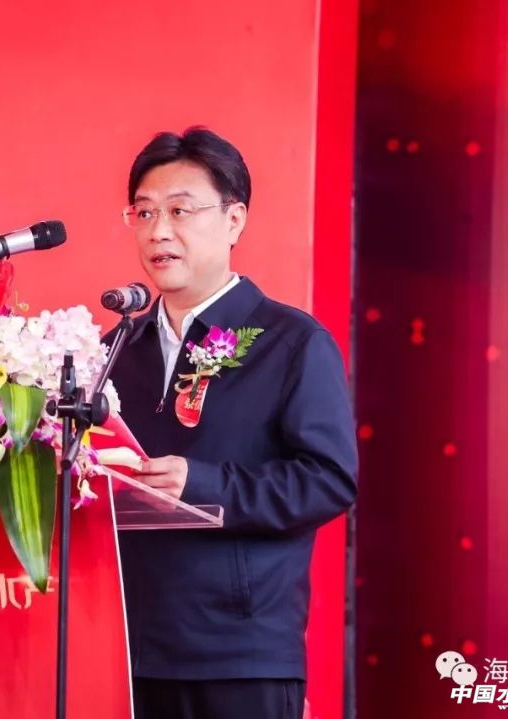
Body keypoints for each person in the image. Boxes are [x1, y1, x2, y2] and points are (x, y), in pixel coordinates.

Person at [104, 127, 358, 719]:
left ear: (234, 220)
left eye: (179, 211)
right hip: (125, 648)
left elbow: (329, 480)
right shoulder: (114, 350)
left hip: (238, 654)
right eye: (144, 212)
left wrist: (201, 484)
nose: (157, 231)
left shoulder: (291, 343)